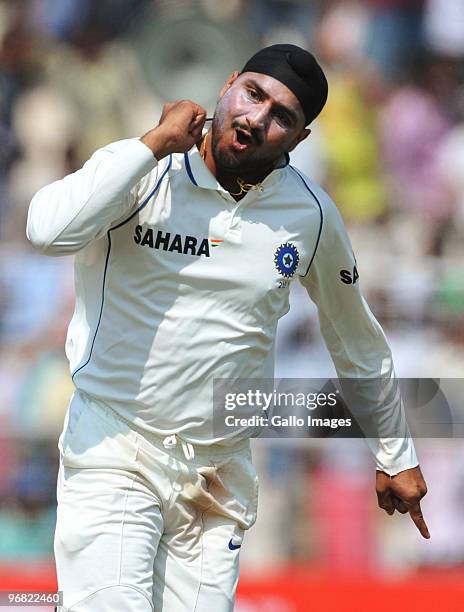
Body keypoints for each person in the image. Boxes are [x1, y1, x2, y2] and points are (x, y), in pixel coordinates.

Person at [27, 44, 429, 611]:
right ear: (229, 84)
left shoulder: (309, 214)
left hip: (216, 477)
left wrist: (396, 453)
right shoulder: (147, 167)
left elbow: (356, 340)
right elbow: (46, 231)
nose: (256, 119)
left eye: (282, 117)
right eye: (253, 94)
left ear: (298, 139)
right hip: (115, 447)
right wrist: (150, 145)